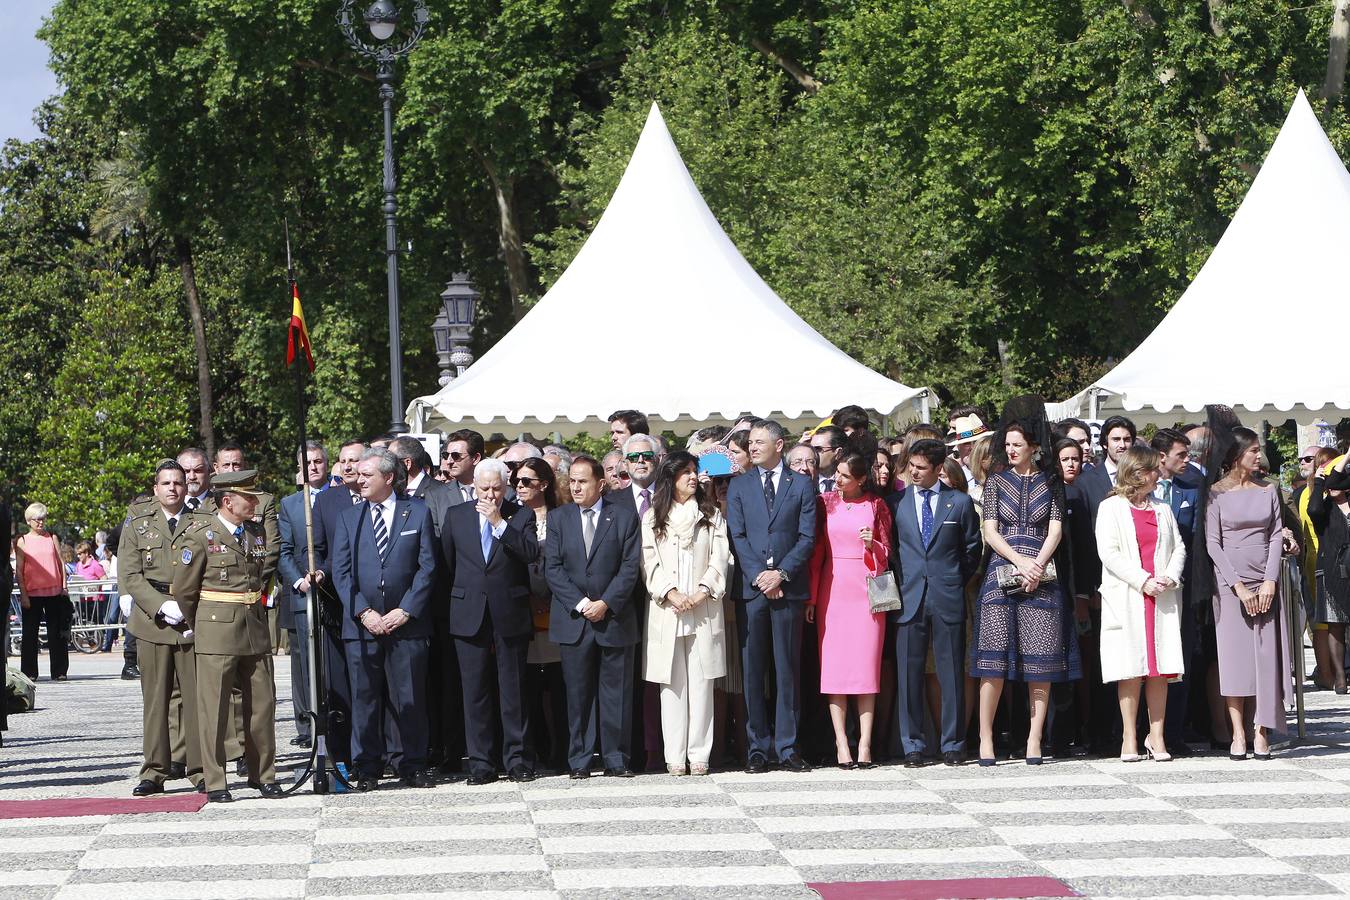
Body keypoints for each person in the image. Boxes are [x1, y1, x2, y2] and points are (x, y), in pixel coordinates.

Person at [970, 399, 1081, 766]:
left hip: (1042, 575)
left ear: (1034, 447)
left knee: (1041, 664)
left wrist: (1037, 565)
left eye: (1018, 444)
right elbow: (989, 529)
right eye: (1008, 444)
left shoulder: (1050, 482)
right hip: (1001, 573)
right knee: (993, 663)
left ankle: (1035, 740)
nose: (1011, 449)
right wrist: (1019, 561)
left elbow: (1056, 529)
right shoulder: (995, 482)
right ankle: (986, 738)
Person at [171, 470, 282, 803]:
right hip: (216, 629)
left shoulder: (256, 532)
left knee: (262, 705)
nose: (254, 502)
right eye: (248, 497)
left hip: (254, 627)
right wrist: (203, 624)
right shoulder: (200, 535)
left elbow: (259, 578)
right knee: (214, 709)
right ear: (227, 500)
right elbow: (185, 591)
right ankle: (215, 779)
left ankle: (263, 774)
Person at [331, 448, 438, 791]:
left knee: (410, 697)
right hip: (362, 625)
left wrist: (405, 609)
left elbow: (428, 567)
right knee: (365, 697)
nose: (358, 479)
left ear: (388, 478)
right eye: (358, 474)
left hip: (406, 623)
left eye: (366, 475)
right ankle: (367, 766)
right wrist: (363, 611)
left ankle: (413, 763)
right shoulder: (351, 517)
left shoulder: (417, 512)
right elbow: (342, 573)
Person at [726, 420, 817, 773]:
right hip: (752, 591)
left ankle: (788, 745)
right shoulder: (740, 485)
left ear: (779, 445)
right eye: (749, 443)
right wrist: (760, 577)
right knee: (753, 670)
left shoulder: (801, 485)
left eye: (759, 442)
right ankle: (756, 747)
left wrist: (781, 573)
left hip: (788, 588)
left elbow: (807, 537)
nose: (752, 448)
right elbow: (738, 535)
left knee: (787, 669)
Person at [441, 458, 538, 784]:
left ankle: (518, 760)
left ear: (506, 487)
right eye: (485, 489)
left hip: (508, 611)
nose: (491, 495)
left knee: (514, 691)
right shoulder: (456, 517)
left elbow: (529, 553)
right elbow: (449, 564)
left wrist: (499, 523)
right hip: (469, 612)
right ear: (474, 488)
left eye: (497, 488)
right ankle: (481, 762)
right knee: (475, 692)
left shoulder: (520, 515)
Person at [545, 455, 643, 778]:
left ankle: (616, 758)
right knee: (578, 694)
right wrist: (581, 602)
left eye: (582, 481)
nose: (575, 487)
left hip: (613, 618)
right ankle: (580, 760)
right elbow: (553, 568)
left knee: (616, 693)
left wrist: (606, 602)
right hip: (575, 620)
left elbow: (630, 568)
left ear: (600, 484)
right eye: (572, 480)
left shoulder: (624, 517)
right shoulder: (559, 519)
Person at [887, 439, 981, 767]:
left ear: (939, 469)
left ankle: (953, 743)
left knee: (951, 672)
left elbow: (972, 549)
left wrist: (953, 579)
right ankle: (912, 744)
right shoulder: (895, 503)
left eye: (922, 467)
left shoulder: (959, 503)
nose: (914, 472)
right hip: (909, 598)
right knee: (909, 674)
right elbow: (893, 550)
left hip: (947, 596)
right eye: (911, 465)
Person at [1095, 446, 1187, 763]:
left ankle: (1157, 736)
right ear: (1138, 473)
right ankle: (1129, 736)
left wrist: (1169, 577)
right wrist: (1142, 579)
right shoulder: (1111, 508)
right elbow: (1109, 553)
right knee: (1130, 670)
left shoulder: (1162, 509)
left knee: (1160, 670)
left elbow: (1178, 548)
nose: (1159, 474)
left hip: (1160, 597)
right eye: (1153, 469)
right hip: (1129, 596)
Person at [641, 451, 729, 775]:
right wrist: (671, 592)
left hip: (703, 607)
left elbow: (721, 557)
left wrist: (702, 590)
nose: (692, 477)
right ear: (670, 477)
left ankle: (700, 754)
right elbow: (648, 561)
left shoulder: (711, 514)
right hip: (669, 609)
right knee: (672, 684)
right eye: (685, 472)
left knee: (702, 682)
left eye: (695, 471)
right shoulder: (653, 517)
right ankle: (675, 756)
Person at [804, 450, 892, 768]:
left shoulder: (876, 505)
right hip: (834, 587)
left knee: (867, 669)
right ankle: (842, 742)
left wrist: (873, 545)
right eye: (837, 473)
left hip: (868, 588)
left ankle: (865, 744)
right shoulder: (825, 502)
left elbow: (888, 549)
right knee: (835, 670)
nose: (837, 478)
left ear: (861, 479)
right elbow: (816, 553)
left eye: (844, 475)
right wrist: (812, 598)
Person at [1204, 425, 1287, 759]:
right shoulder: (1215, 493)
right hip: (1229, 586)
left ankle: (1261, 729)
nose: (1258, 455)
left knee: (1264, 658)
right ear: (1237, 455)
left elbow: (1277, 533)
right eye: (1253, 450)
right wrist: (1237, 586)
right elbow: (1212, 542)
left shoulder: (1269, 490)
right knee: (1235, 660)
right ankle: (1238, 733)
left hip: (1265, 582)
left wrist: (1270, 580)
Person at [122, 460, 204, 795]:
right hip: (152, 621)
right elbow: (130, 575)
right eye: (166, 483)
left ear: (186, 487)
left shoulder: (201, 523)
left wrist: (187, 609)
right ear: (155, 489)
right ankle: (154, 770)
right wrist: (161, 606)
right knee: (155, 700)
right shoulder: (138, 525)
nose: (173, 488)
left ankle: (201, 769)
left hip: (192, 620)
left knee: (198, 698)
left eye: (178, 483)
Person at [308, 439, 366, 769]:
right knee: (341, 683)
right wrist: (317, 571)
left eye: (354, 460)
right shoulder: (327, 501)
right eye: (342, 460)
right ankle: (343, 754)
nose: (346, 466)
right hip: (337, 605)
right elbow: (318, 549)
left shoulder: (381, 499)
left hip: (376, 601)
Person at [513, 458, 568, 771]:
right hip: (524, 613)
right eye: (517, 481)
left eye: (527, 481)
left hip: (558, 611)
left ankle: (561, 752)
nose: (520, 486)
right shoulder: (511, 518)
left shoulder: (562, 517)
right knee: (530, 689)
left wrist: (550, 598)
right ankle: (536, 750)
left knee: (560, 689)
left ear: (544, 485)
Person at [1150, 428, 1201, 756]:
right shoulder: (1139, 491)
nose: (1187, 461)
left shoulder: (1192, 490)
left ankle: (1174, 732)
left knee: (1177, 659)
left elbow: (1193, 542)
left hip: (1179, 587)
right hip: (1142, 585)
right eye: (1181, 455)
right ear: (1161, 457)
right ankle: (1142, 730)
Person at [278, 441, 328, 750]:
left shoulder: (341, 498)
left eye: (319, 461)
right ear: (300, 467)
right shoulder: (290, 504)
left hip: (331, 592)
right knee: (302, 664)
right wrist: (299, 581)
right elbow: (283, 550)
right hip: (301, 595)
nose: (313, 467)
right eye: (307, 462)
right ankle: (305, 725)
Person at [1305, 450, 1347, 692]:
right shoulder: (1323, 507)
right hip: (1331, 569)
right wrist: (1319, 481)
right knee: (1335, 624)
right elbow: (1313, 510)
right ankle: (1339, 675)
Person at [16, 503, 69, 682]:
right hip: (32, 593)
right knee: (30, 635)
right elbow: (19, 570)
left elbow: (61, 562)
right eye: (37, 519)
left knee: (57, 634)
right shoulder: (22, 541)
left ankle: (59, 671)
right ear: (29, 521)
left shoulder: (51, 537)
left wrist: (64, 587)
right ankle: (29, 672)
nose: (41, 522)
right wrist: (23, 594)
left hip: (54, 592)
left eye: (43, 518)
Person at [1078, 416, 1138, 525]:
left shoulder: (1141, 478)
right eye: (1116, 439)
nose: (1122, 445)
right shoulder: (1086, 482)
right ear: (1105, 444)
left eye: (1127, 439)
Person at [946, 407, 990, 484]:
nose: (972, 448)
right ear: (958, 446)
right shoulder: (952, 479)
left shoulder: (1001, 474)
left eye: (976, 442)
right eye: (966, 443)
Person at [442, 429, 485, 505]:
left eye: (455, 455)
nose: (449, 461)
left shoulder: (503, 493)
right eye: (446, 455)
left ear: (475, 458)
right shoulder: (437, 495)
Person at [810, 426, 847, 494]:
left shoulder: (851, 483)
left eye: (818, 449)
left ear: (838, 452)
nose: (812, 453)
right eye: (811, 449)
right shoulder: (805, 482)